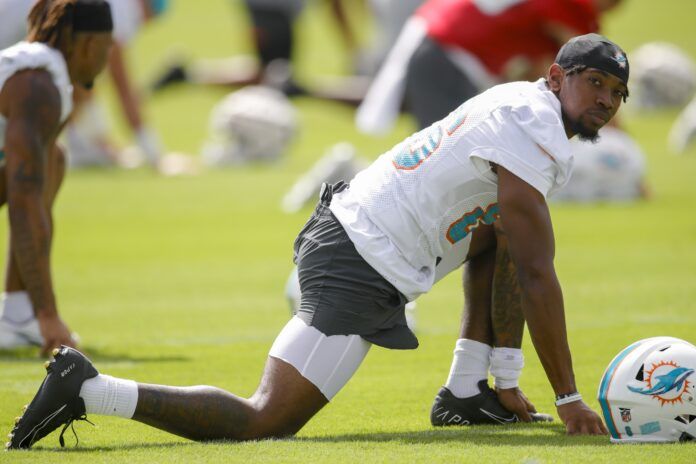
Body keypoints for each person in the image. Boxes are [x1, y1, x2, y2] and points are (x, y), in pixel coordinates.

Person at [7, 33, 629, 449]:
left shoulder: (522, 103)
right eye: (595, 83)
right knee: (265, 420)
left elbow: (510, 246)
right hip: (360, 259)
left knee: (506, 230)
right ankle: (89, 389)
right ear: (557, 76)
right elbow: (539, 272)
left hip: (356, 232)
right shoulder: (537, 125)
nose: (605, 100)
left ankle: (469, 391)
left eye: (617, 93)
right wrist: (569, 397)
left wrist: (503, 370)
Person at [0, 0, 114, 354]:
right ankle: (32, 315)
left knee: (54, 159)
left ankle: (18, 316)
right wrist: (49, 313)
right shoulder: (37, 87)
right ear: (89, 44)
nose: (107, 59)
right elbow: (23, 202)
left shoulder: (41, 76)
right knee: (36, 179)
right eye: (107, 47)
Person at [357, 0, 622, 134]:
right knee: (445, 155)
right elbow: (592, 72)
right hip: (446, 56)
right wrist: (620, 141)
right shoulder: (571, 7)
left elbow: (541, 77)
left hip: (440, 50)